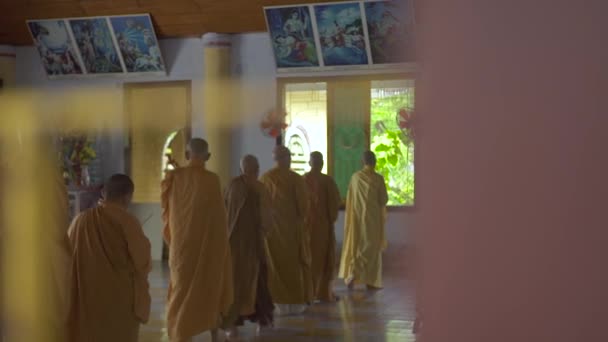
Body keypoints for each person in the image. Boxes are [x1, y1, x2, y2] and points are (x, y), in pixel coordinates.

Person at [161, 138, 233, 342]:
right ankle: (211, 331)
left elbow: (166, 210)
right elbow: (220, 219)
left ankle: (179, 333)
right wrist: (222, 248)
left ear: (186, 155)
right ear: (208, 157)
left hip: (181, 248)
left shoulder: (174, 177)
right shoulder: (212, 180)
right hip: (207, 248)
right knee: (208, 288)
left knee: (180, 288)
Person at [68, 174, 151, 342]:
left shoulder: (80, 220)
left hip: (87, 299)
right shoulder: (128, 222)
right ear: (128, 196)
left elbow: (67, 257)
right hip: (119, 302)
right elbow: (142, 262)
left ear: (104, 193)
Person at [222, 155, 275, 338]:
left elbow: (223, 212)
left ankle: (231, 325)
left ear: (241, 169)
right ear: (257, 169)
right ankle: (262, 321)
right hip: (254, 246)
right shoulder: (260, 188)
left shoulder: (231, 186)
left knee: (233, 284)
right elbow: (267, 221)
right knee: (258, 283)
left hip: (233, 246)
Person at [260, 146, 312, 315]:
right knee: (293, 266)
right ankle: (295, 303)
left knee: (274, 267)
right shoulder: (296, 179)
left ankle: (275, 302)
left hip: (271, 233)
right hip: (291, 233)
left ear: (275, 159)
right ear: (288, 158)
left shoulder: (265, 178)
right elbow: (304, 208)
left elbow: (260, 206)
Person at [339, 151, 389, 290]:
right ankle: (360, 277)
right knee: (371, 249)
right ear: (375, 162)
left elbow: (350, 198)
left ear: (362, 162)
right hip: (373, 220)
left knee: (359, 247)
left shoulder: (355, 177)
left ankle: (366, 279)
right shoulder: (378, 179)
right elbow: (383, 199)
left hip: (357, 219)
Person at [303, 152, 342, 302]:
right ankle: (323, 293)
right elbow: (334, 204)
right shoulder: (328, 181)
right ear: (322, 163)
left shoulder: (302, 180)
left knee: (308, 259)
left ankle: (308, 292)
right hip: (322, 227)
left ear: (309, 163)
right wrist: (330, 219)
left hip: (306, 228)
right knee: (324, 260)